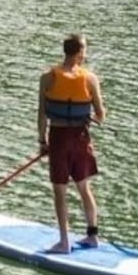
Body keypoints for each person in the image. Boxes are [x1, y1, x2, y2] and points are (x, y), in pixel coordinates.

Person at [37, 34, 106, 254]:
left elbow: (42, 114)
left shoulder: (47, 77)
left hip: (58, 137)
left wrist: (42, 141)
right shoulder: (90, 78)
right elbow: (101, 115)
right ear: (78, 52)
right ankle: (92, 236)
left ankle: (64, 242)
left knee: (60, 191)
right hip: (81, 138)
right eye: (85, 49)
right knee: (84, 188)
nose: (86, 53)